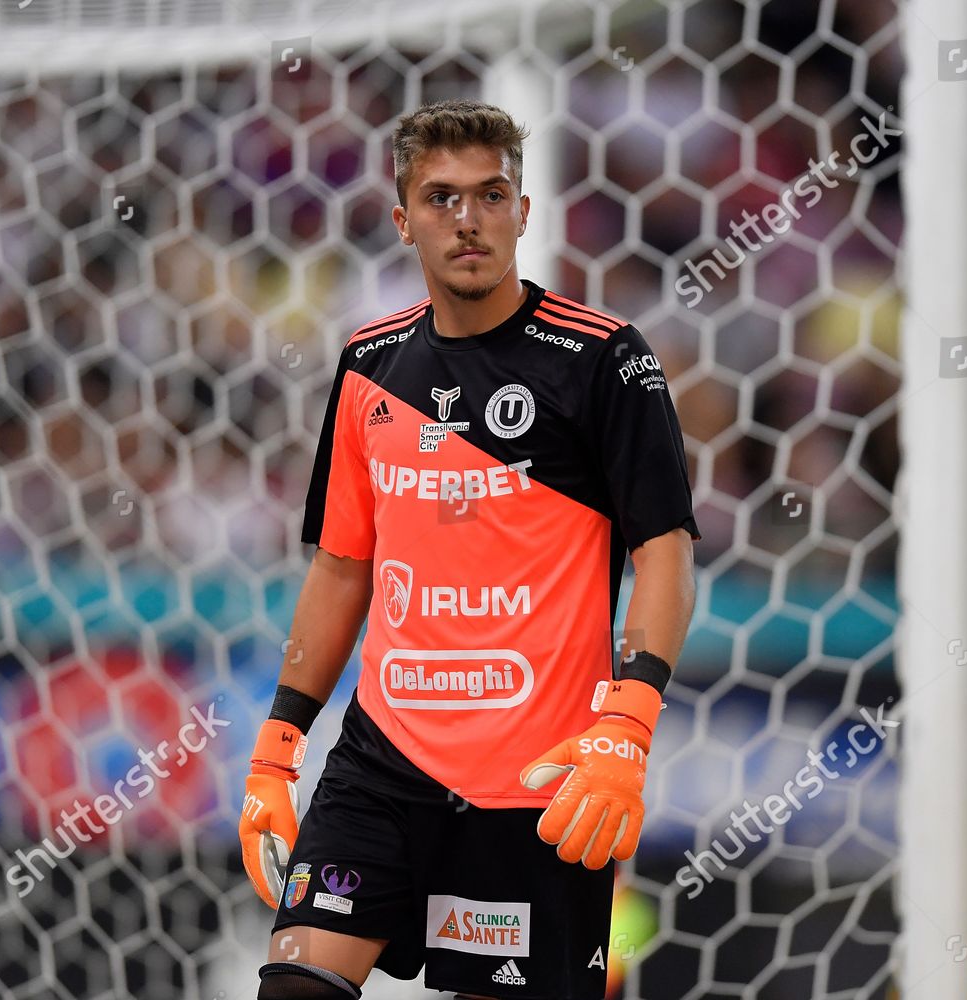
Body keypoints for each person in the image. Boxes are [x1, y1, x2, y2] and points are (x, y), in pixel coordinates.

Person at [239, 99, 699, 1000]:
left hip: (536, 783)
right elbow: (341, 567)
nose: (468, 219)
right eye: (441, 198)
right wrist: (277, 746)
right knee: (294, 990)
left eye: (490, 195)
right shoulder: (369, 363)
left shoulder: (603, 358)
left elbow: (667, 553)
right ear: (403, 220)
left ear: (523, 212)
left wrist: (628, 723)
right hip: (381, 765)